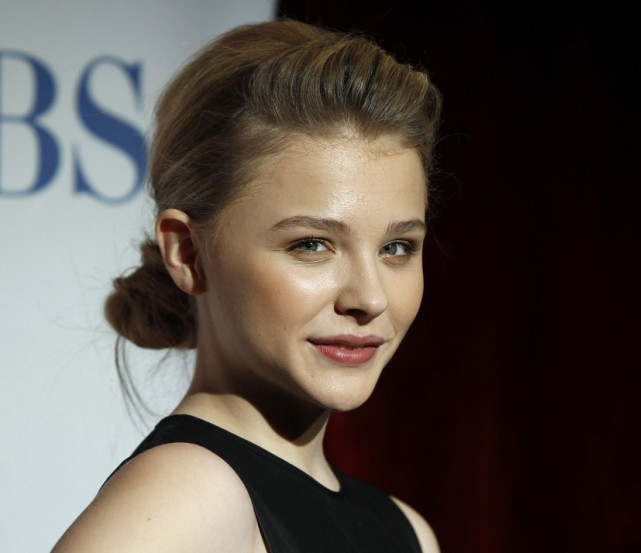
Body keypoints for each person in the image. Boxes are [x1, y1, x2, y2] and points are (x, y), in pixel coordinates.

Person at [53, 19, 442, 553]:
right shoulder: (184, 498)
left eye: (397, 248)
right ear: (187, 252)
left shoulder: (408, 532)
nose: (370, 299)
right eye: (311, 244)